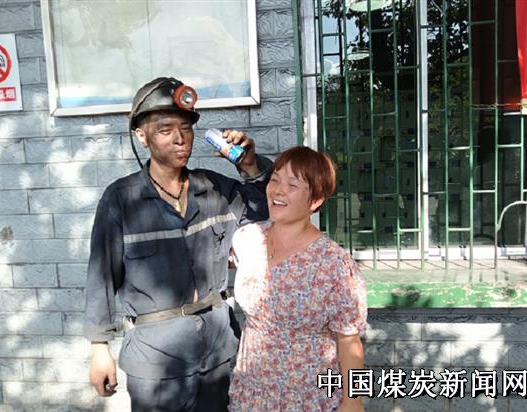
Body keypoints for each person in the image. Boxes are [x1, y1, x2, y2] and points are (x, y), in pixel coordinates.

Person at [84, 76, 272, 412]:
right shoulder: (120, 200)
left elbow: (268, 211)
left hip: (216, 353)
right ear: (142, 136)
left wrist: (250, 166)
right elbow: (101, 277)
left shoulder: (215, 189)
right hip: (156, 361)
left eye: (186, 128)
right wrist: (100, 348)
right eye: (165, 129)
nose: (180, 138)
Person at [229, 146, 367, 412]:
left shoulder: (334, 264)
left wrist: (353, 402)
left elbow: (349, 341)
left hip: (308, 398)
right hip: (251, 393)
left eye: (292, 185)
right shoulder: (247, 239)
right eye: (275, 180)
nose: (278, 191)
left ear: (315, 200)